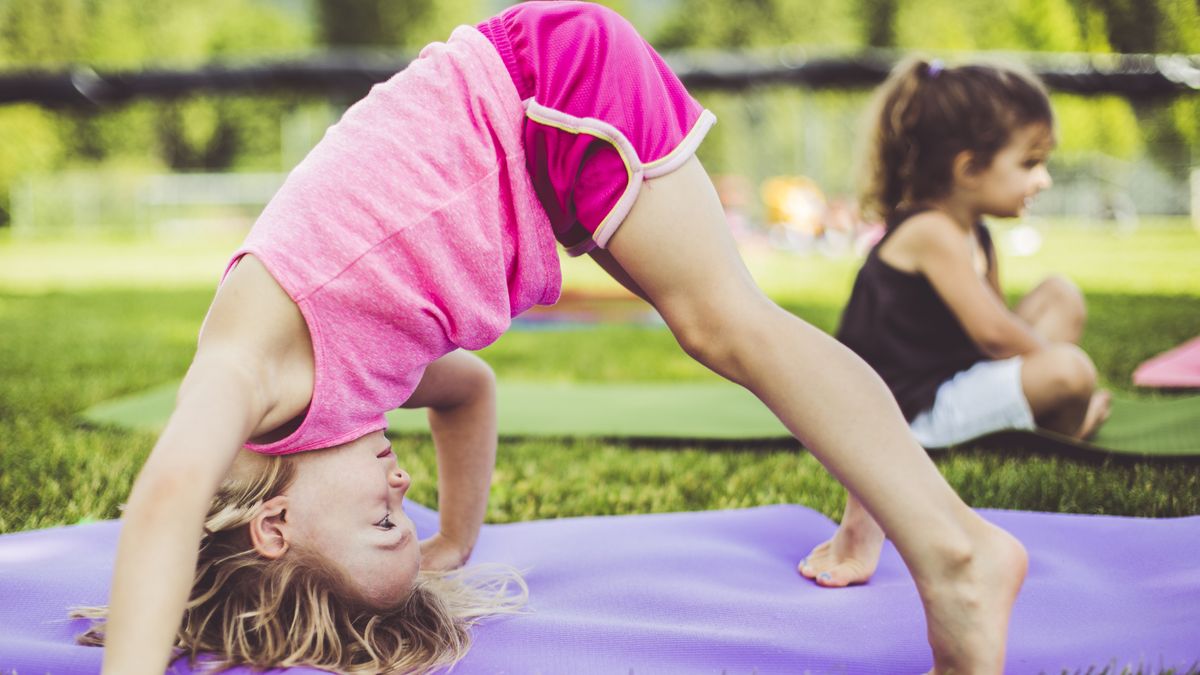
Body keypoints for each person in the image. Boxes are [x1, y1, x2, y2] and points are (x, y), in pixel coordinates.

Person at [94, 5, 1026, 674]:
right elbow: (470, 392)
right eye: (404, 515)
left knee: (722, 326)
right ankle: (893, 517)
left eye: (385, 519)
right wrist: (450, 542)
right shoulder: (335, 399)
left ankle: (955, 552)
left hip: (541, 91)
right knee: (724, 325)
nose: (401, 487)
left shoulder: (245, 376)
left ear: (273, 524)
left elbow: (169, 496)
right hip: (539, 150)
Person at [799, 59, 1109, 593]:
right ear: (969, 169)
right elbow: (993, 335)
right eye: (1030, 162)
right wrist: (1054, 373)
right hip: (910, 411)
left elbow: (994, 331)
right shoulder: (932, 231)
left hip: (952, 374)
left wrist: (1032, 365)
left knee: (1061, 296)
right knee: (1068, 371)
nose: (1044, 178)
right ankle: (1066, 424)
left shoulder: (974, 232)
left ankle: (1046, 411)